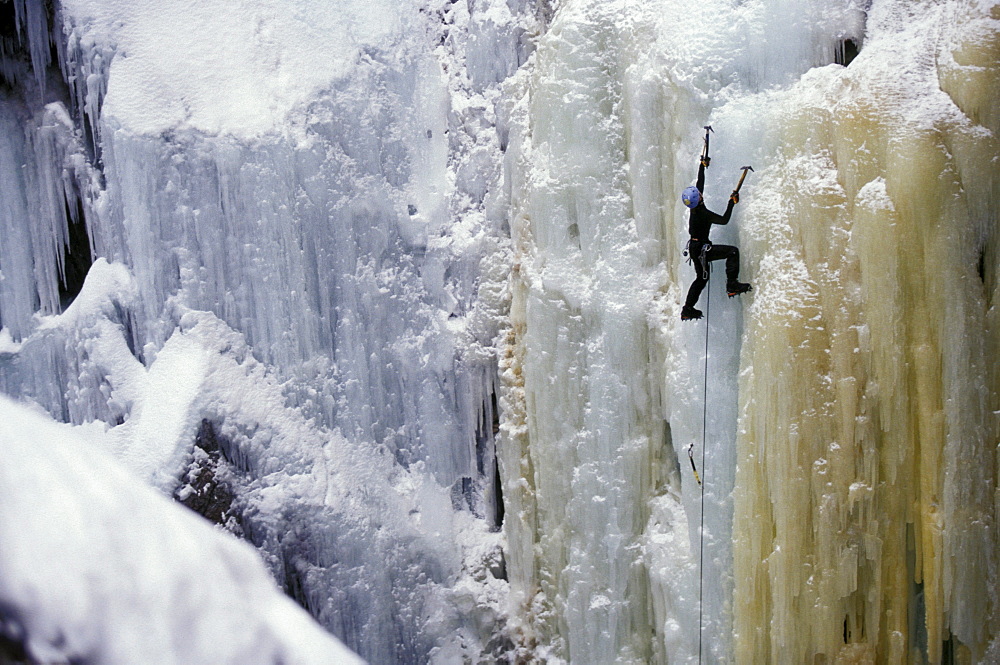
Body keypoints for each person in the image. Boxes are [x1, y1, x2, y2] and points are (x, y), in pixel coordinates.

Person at [680, 154, 751, 321]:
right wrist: (731, 203)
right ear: (699, 199)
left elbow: (700, 185)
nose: (700, 193)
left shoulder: (694, 207)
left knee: (701, 279)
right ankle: (731, 284)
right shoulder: (704, 214)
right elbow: (724, 220)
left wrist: (702, 166)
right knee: (732, 252)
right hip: (703, 250)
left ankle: (687, 309)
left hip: (694, 248)